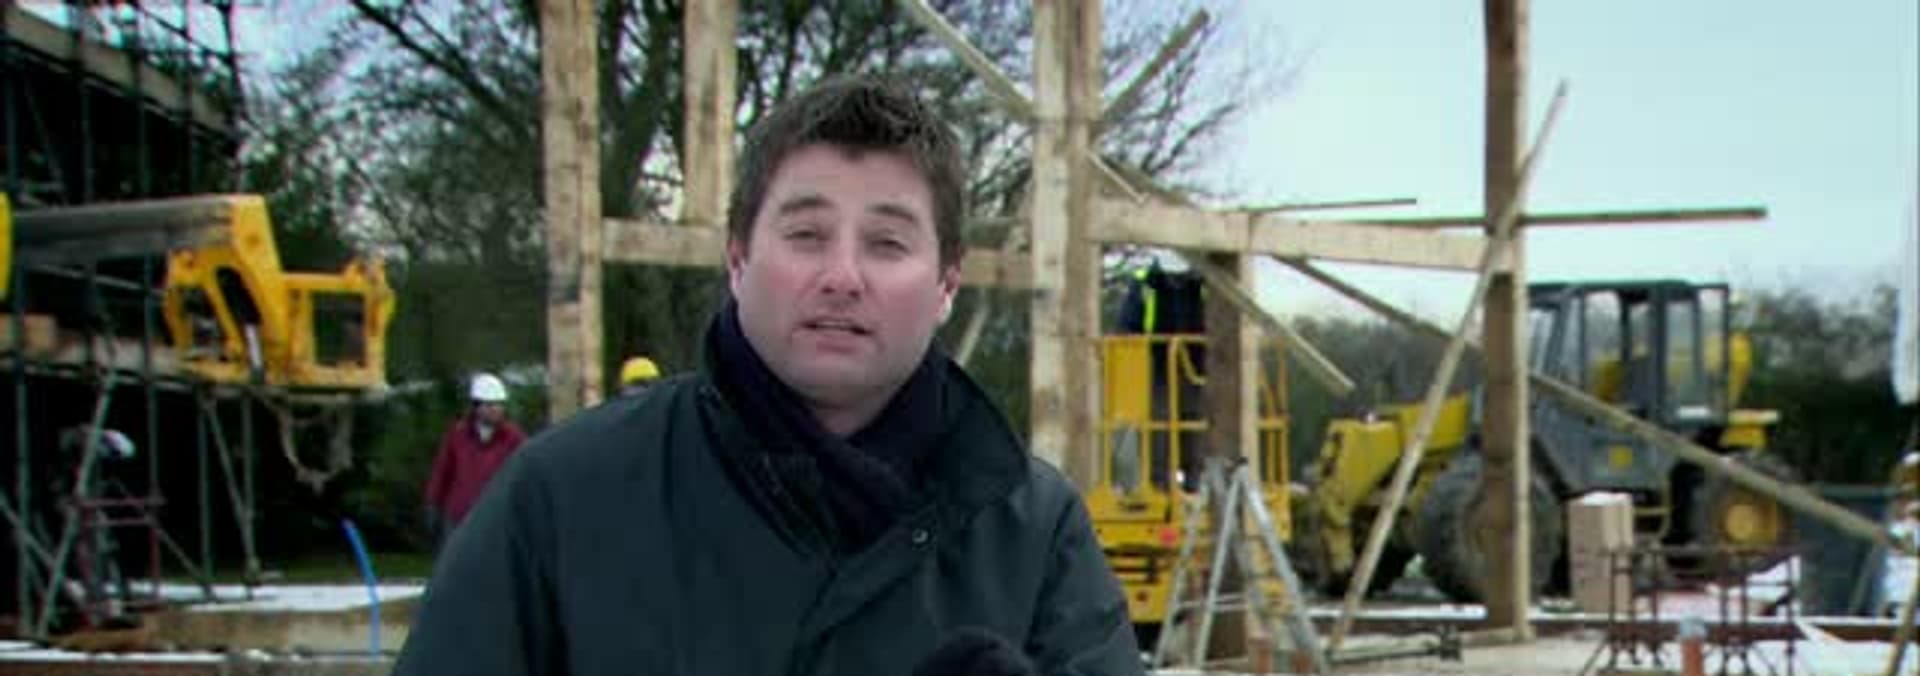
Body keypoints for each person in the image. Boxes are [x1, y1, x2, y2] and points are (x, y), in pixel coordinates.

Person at [394, 75, 1142, 676]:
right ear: (738, 258)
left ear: (947, 284)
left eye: (886, 243)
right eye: (806, 234)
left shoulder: (1034, 533)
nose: (842, 275)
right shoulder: (562, 497)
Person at [422, 372, 526, 553]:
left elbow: (525, 475)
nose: (496, 410)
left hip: (496, 518)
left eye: (499, 404)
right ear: (477, 406)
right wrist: (432, 504)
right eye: (490, 405)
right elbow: (442, 471)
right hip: (458, 516)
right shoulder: (458, 435)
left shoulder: (514, 439)